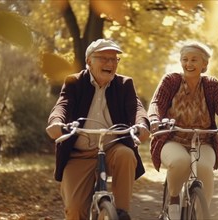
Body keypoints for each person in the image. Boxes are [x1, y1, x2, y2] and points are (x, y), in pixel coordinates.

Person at [46, 39, 150, 220]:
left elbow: (137, 109)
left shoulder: (124, 84)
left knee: (126, 154)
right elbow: (62, 105)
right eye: (103, 58)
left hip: (112, 149)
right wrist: (56, 122)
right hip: (79, 154)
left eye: (115, 59)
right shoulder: (74, 82)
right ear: (89, 61)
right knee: (75, 210)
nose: (110, 63)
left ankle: (120, 212)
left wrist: (142, 124)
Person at [148, 41, 218, 219]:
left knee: (203, 169)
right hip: (173, 138)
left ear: (204, 64)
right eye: (185, 59)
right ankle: (174, 198)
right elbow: (157, 103)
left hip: (204, 140)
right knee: (180, 162)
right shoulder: (171, 80)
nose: (188, 64)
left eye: (194, 60)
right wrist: (154, 120)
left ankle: (202, 216)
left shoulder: (211, 85)